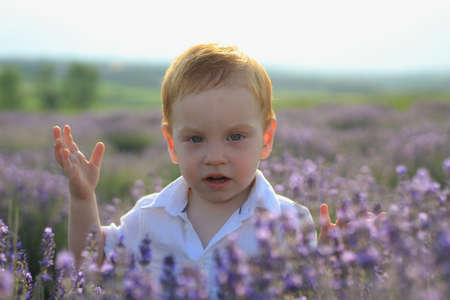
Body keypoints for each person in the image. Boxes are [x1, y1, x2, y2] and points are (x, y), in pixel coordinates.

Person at [52, 43, 382, 295]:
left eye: (235, 136)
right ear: (171, 144)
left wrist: (333, 255)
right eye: (195, 138)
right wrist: (83, 200)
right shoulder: (148, 218)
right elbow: (88, 264)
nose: (215, 156)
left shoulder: (288, 222)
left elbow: (308, 286)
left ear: (266, 139)